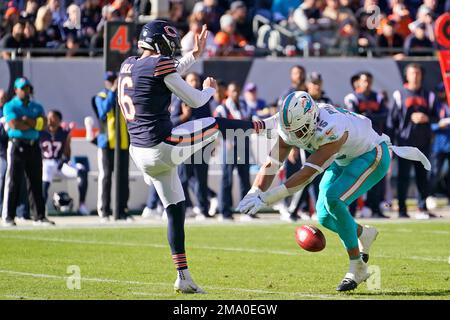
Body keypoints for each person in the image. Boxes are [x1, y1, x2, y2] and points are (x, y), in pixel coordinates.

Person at [118, 21, 275, 294]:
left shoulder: (129, 64)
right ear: (159, 42)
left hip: (140, 151)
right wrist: (210, 90)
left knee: (176, 210)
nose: (173, 50)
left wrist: (194, 55)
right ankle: (266, 125)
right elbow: (196, 101)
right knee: (213, 124)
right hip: (161, 146)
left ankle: (183, 276)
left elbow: (166, 73)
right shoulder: (158, 65)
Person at [237, 91, 430, 291]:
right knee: (323, 215)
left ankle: (357, 266)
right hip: (344, 158)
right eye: (292, 131)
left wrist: (267, 198)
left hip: (372, 154)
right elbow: (273, 163)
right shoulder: (292, 126)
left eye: (300, 130)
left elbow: (306, 175)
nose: (296, 137)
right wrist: (254, 191)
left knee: (333, 199)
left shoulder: (331, 127)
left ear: (312, 118)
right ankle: (363, 234)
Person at [387, 63, 439, 219]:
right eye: (412, 73)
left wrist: (427, 118)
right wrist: (390, 144)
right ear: (407, 75)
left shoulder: (429, 96)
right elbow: (392, 122)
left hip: (423, 143)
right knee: (403, 177)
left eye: (418, 73)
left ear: (422, 75)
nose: (415, 76)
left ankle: (422, 208)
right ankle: (402, 210)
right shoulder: (399, 95)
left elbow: (438, 116)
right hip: (404, 143)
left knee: (423, 176)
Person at [2, 77, 55, 227]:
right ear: (16, 90)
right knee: (13, 181)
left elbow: (43, 124)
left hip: (33, 146)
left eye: (27, 88)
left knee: (36, 181)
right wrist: (33, 123)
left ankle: (39, 216)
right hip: (17, 145)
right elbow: (14, 124)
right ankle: (8, 216)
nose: (25, 91)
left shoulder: (36, 106)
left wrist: (26, 121)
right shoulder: (10, 105)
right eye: (22, 88)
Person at [344, 72, 389, 218]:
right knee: (354, 175)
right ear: (358, 82)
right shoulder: (352, 98)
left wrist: (367, 115)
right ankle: (351, 210)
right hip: (358, 142)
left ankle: (375, 208)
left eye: (369, 80)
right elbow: (354, 116)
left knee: (376, 174)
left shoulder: (378, 97)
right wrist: (369, 116)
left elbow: (385, 115)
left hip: (374, 140)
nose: (367, 83)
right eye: (364, 81)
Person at [92, 71, 130, 221]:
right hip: (107, 142)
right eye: (110, 80)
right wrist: (113, 92)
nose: (112, 82)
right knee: (106, 176)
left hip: (123, 143)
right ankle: (104, 210)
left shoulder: (125, 97)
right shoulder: (100, 97)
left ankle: (122, 210)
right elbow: (103, 112)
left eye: (114, 80)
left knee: (123, 178)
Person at [214, 82, 252, 221]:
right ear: (228, 93)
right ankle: (225, 211)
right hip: (229, 147)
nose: (235, 93)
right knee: (227, 179)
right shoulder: (222, 108)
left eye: (237, 90)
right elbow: (218, 126)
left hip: (243, 146)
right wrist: (227, 139)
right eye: (233, 91)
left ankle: (247, 210)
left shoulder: (245, 106)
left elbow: (249, 122)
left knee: (245, 179)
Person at [40, 110, 89, 215]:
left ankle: (81, 205)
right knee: (46, 170)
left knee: (81, 170)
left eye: (52, 117)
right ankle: (41, 206)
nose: (49, 120)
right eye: (48, 117)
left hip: (60, 164)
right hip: (46, 163)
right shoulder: (41, 131)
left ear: (59, 120)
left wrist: (68, 139)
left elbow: (67, 153)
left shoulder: (64, 133)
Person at [427, 83, 450, 207]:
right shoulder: (437, 106)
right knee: (435, 172)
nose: (441, 94)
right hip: (439, 145)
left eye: (443, 91)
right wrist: (440, 124)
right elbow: (430, 124)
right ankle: (430, 195)